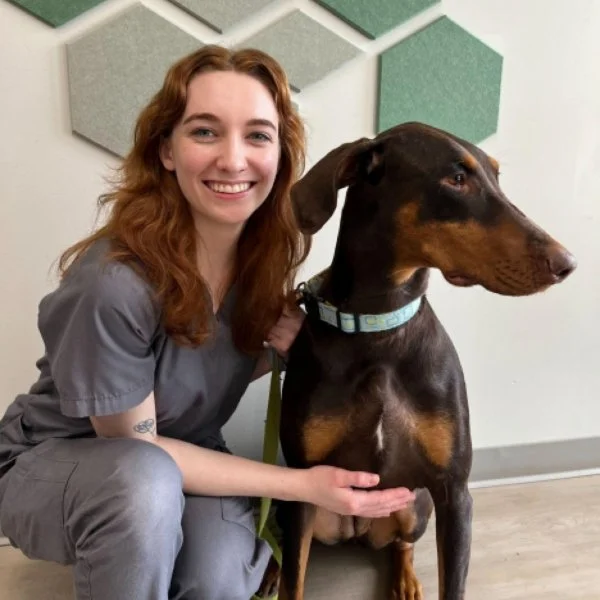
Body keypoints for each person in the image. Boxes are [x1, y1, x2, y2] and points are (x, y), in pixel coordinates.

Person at [0, 45, 415, 600]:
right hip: (60, 464)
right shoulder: (112, 283)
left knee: (218, 578)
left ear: (280, 155)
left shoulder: (265, 262)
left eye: (258, 135)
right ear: (166, 150)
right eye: (204, 132)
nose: (234, 159)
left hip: (182, 457)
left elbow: (195, 369)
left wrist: (278, 353)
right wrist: (301, 487)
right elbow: (139, 452)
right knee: (143, 487)